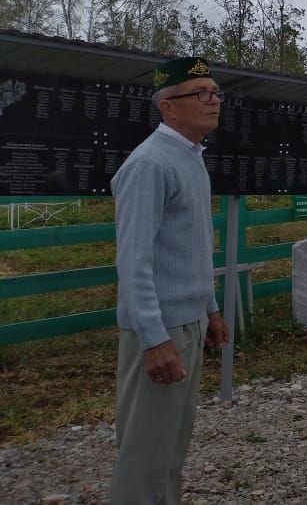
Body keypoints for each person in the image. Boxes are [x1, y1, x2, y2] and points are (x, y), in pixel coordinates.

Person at [110, 57, 229, 504]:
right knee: (145, 455)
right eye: (201, 93)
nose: (214, 101)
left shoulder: (190, 158)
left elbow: (191, 246)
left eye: (216, 93)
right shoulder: (150, 165)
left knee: (171, 449)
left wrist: (210, 308)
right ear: (169, 107)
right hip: (161, 330)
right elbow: (134, 260)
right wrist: (154, 339)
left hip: (188, 322)